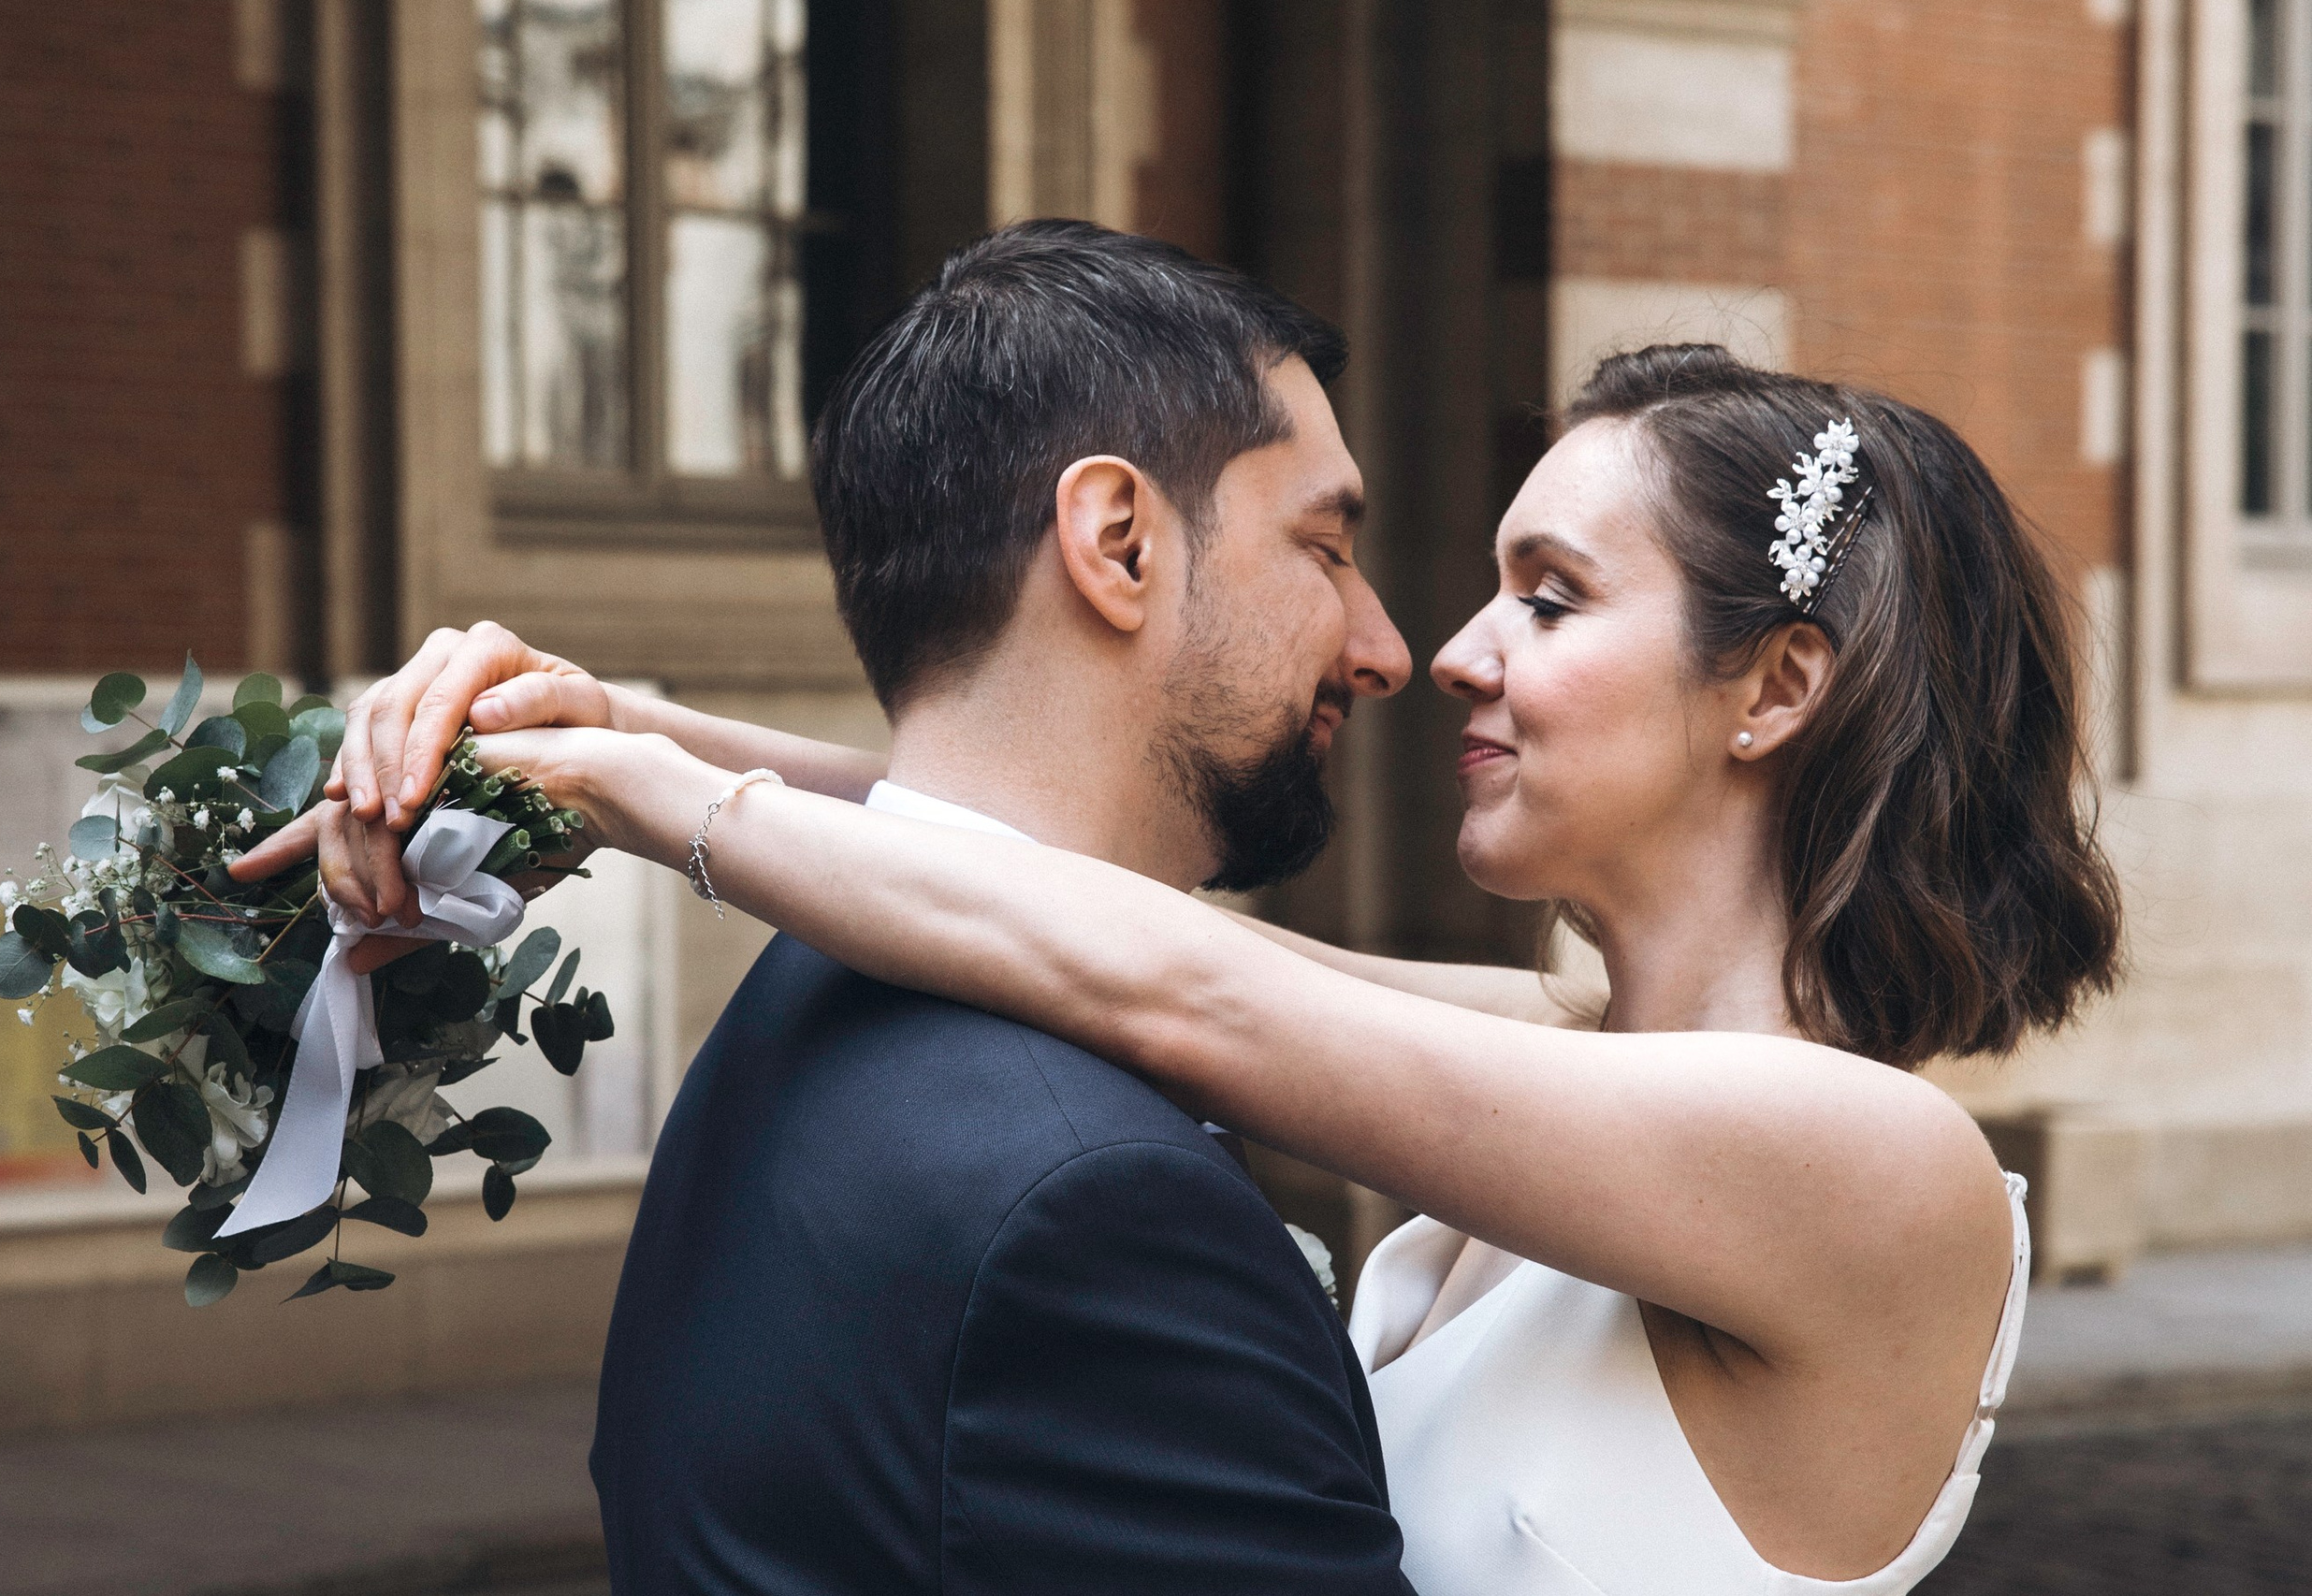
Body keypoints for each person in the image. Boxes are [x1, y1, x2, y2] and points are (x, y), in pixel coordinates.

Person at [247, 328, 2125, 1588]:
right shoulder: (1575, 1044)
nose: (1450, 652)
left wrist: (662, 804)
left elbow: (1166, 988)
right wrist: (585, 719)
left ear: (1774, 687)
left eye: (1545, 599)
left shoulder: (1873, 1177)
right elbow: (1079, 905)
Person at [251, 221, 1423, 1593]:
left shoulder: (809, 998)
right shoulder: (1097, 1200)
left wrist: (640, 736)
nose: (1388, 647)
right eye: (1327, 548)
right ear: (1118, 542)